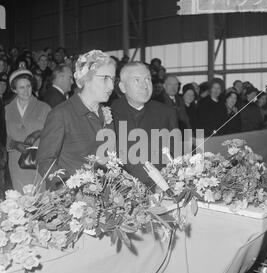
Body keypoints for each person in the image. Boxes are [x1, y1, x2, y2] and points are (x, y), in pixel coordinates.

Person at [37, 50, 116, 190]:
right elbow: (45, 161)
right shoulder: (61, 114)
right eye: (105, 78)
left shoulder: (107, 115)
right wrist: (68, 190)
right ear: (86, 78)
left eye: (113, 79)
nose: (111, 86)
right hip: (74, 203)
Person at [111, 62, 178, 189]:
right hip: (123, 192)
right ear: (122, 86)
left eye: (148, 79)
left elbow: (175, 156)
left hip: (162, 189)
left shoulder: (166, 113)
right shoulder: (109, 114)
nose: (145, 85)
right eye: (137, 80)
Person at [5, 68, 51, 193]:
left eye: (28, 86)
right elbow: (3, 135)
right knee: (20, 201)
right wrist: (14, 144)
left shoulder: (44, 107)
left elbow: (53, 131)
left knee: (39, 200)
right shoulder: (6, 110)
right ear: (14, 89)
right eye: (21, 87)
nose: (26, 91)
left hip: (37, 162)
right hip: (16, 162)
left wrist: (38, 133)